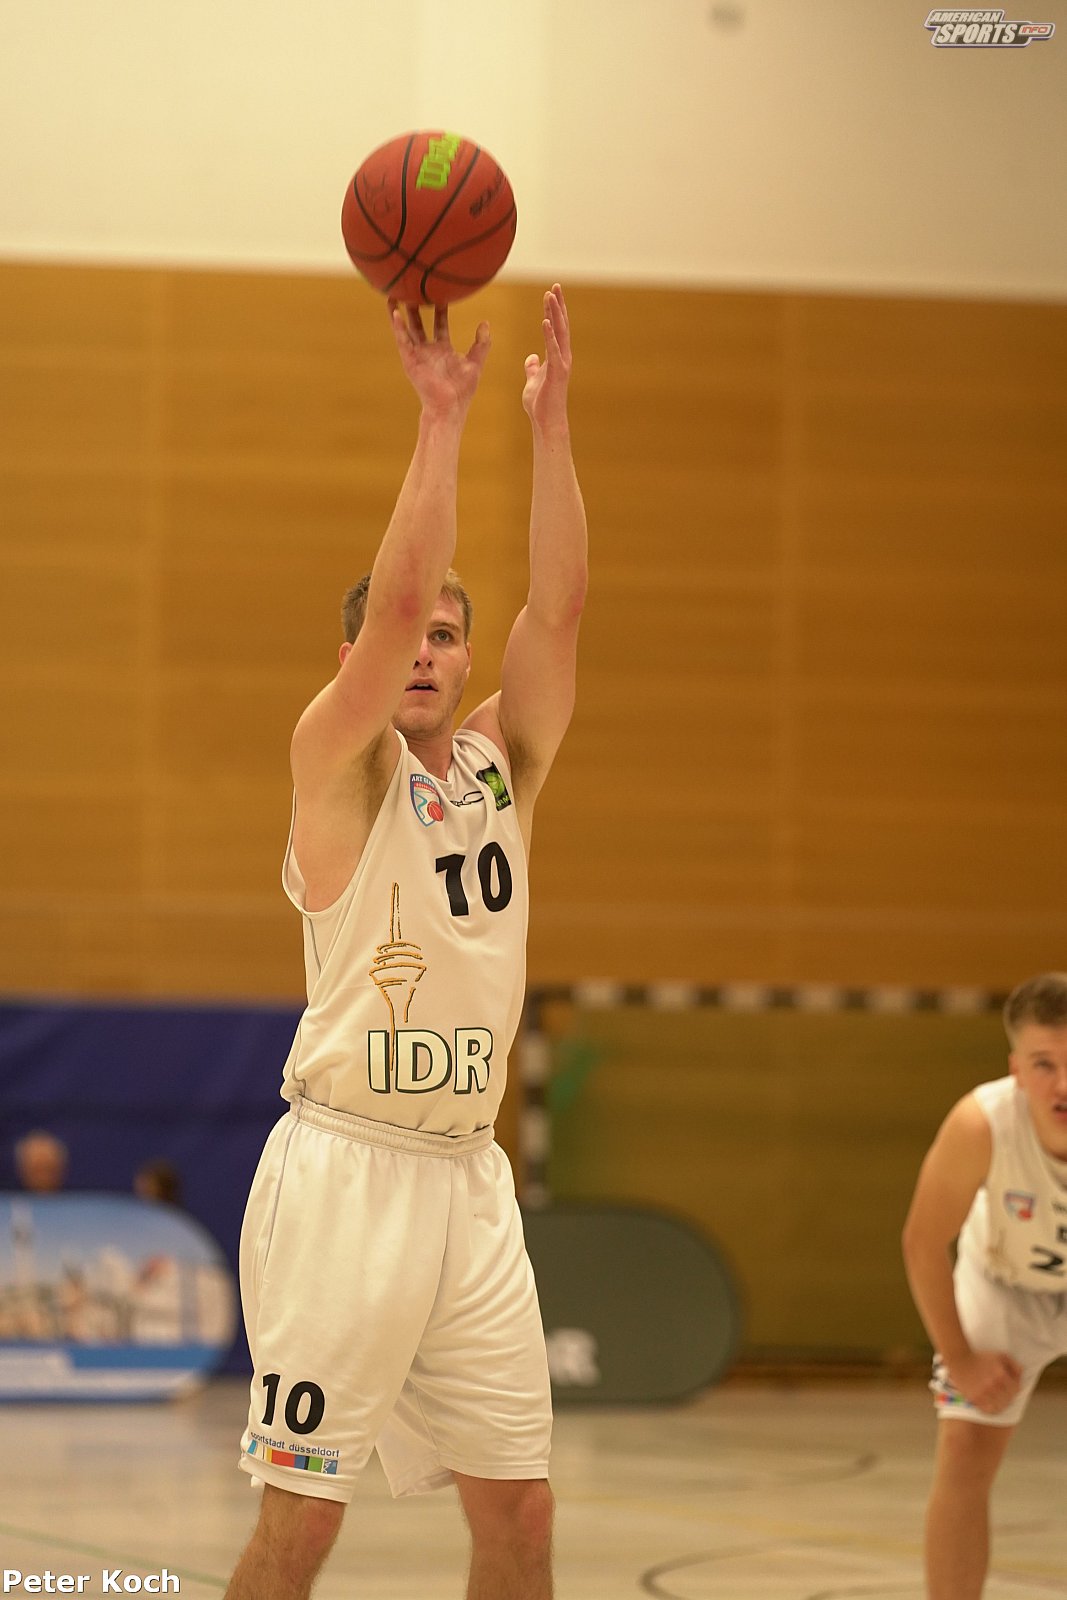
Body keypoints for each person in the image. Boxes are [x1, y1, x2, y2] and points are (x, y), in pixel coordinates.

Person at [224, 284, 587, 1600]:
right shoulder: (337, 761)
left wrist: (547, 429)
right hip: (346, 1178)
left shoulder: (503, 762)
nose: (425, 648)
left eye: (447, 632)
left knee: (521, 1515)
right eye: (406, 632)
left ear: (467, 654)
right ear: (357, 656)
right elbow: (387, 617)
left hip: (466, 1179)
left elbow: (559, 610)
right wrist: (439, 423)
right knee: (303, 1529)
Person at [902, 971, 1067, 1600]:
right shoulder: (981, 1124)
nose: (1063, 1085)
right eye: (1044, 1064)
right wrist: (961, 1359)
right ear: (1017, 1069)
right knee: (965, 1445)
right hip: (1003, 1281)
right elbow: (922, 1241)